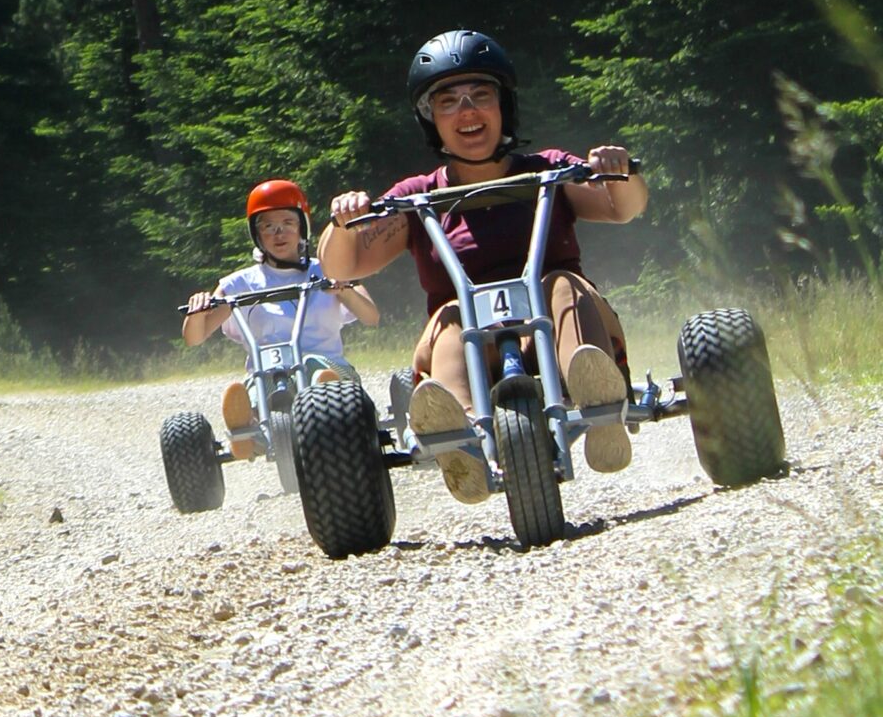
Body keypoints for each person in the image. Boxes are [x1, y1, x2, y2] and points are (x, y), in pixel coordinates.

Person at [318, 30, 648, 503]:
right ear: (432, 120)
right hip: (468, 339)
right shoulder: (417, 197)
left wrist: (621, 171)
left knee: (558, 284)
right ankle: (462, 443)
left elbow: (625, 207)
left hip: (558, 328)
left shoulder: (548, 171)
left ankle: (597, 404)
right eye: (448, 101)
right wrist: (344, 223)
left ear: (503, 108)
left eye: (480, 95)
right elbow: (341, 267)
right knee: (452, 319)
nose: (467, 111)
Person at [183, 179, 381, 459]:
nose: (279, 233)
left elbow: (371, 316)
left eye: (288, 222)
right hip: (270, 372)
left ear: (302, 228)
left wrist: (344, 290)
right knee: (259, 384)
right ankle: (248, 430)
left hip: (327, 365)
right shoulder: (240, 283)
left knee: (319, 371)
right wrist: (197, 312)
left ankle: (327, 395)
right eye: (268, 226)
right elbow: (194, 338)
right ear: (256, 234)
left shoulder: (329, 267)